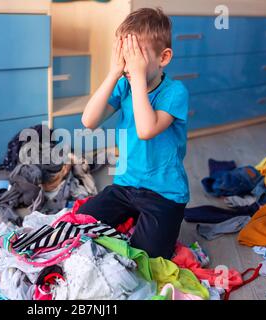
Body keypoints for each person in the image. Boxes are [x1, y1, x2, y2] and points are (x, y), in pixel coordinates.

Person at [79, 8, 189, 259]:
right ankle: (133, 217)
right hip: (126, 186)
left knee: (145, 256)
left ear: (164, 57)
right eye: (124, 55)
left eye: (136, 56)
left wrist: (137, 77)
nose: (130, 65)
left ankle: (149, 223)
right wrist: (114, 73)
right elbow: (89, 120)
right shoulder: (124, 84)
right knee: (80, 224)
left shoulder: (175, 92)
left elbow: (146, 129)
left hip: (164, 194)